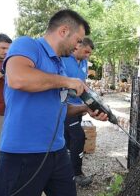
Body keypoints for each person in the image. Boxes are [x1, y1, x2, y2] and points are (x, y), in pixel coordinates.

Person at [0, 9, 107, 196]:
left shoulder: (60, 64)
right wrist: (67, 81)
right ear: (63, 31)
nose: (78, 46)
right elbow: (18, 78)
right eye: (78, 40)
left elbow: (58, 106)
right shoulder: (27, 45)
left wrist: (84, 109)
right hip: (23, 154)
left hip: (58, 152)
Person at [62, 37, 94, 186]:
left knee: (69, 140)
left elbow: (84, 84)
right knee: (78, 137)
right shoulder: (64, 58)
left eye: (90, 53)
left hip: (79, 107)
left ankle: (66, 171)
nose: (88, 55)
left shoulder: (85, 62)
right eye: (86, 51)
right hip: (65, 107)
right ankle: (77, 174)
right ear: (78, 46)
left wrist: (88, 102)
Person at [0, 34, 12, 160]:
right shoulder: (4, 65)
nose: (6, 51)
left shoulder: (10, 62)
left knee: (5, 147)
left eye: (8, 48)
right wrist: (2, 71)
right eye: (3, 48)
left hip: (9, 111)